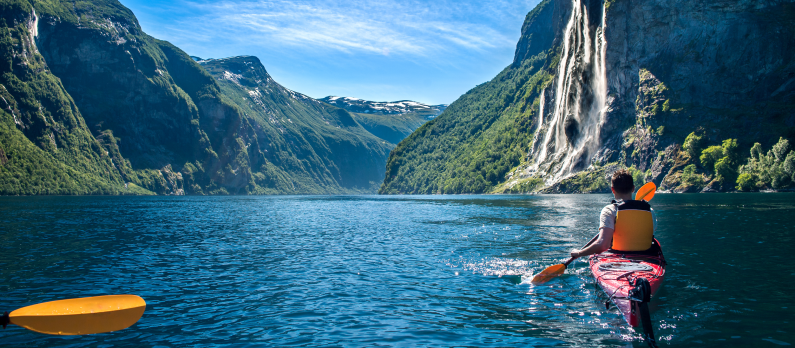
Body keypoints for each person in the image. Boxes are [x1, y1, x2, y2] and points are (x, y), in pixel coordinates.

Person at [570, 169, 658, 259]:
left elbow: (603, 245)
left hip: (618, 258)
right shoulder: (649, 210)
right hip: (647, 257)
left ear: (613, 189)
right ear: (633, 188)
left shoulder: (610, 210)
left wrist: (579, 253)